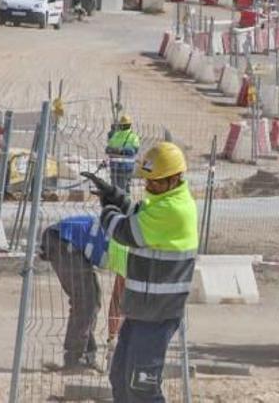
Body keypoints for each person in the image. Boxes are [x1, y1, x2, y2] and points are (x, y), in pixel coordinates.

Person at [96, 141, 198, 403]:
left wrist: (107, 210)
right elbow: (139, 213)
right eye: (147, 182)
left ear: (174, 178)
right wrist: (117, 197)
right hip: (142, 310)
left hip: (158, 314)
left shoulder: (174, 209)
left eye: (155, 182)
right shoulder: (163, 200)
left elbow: (126, 231)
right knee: (120, 378)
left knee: (142, 387)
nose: (149, 187)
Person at [38, 215, 113, 372]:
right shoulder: (127, 241)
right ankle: (75, 358)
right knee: (85, 300)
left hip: (67, 241)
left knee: (91, 299)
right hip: (63, 240)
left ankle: (86, 356)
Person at [106, 115, 141, 193]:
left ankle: (121, 203)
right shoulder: (130, 136)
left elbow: (133, 151)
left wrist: (119, 150)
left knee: (119, 187)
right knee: (120, 188)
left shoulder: (129, 136)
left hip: (121, 166)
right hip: (120, 166)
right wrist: (118, 151)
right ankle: (121, 203)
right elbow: (134, 150)